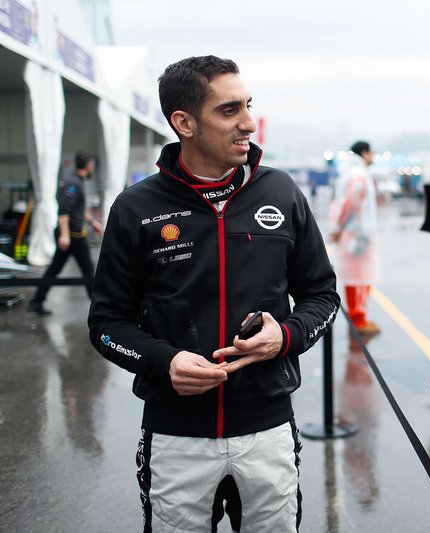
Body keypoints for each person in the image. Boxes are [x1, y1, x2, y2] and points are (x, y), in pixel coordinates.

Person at [88, 56, 340, 532]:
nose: (248, 122)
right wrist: (164, 361)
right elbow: (106, 325)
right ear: (183, 123)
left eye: (247, 105)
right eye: (229, 111)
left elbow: (323, 298)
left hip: (268, 430)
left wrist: (284, 337)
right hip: (176, 435)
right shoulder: (136, 208)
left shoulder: (281, 193)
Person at [28, 151, 104, 316]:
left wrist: (94, 223)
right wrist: (64, 235)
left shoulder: (76, 181)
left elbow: (79, 209)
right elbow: (64, 211)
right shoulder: (73, 183)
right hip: (73, 236)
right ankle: (98, 309)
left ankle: (36, 302)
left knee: (56, 269)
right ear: (89, 165)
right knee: (87, 270)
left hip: (73, 235)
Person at [329, 141, 380, 335]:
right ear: (365, 153)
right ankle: (358, 319)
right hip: (357, 234)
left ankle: (359, 317)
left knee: (358, 276)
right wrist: (338, 227)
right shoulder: (358, 175)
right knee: (358, 277)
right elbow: (350, 202)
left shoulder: (350, 172)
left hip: (355, 232)